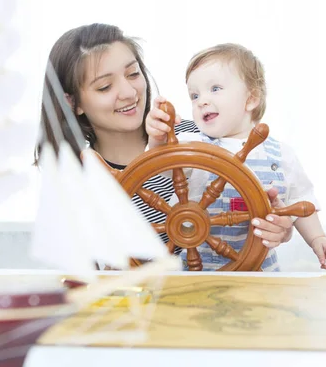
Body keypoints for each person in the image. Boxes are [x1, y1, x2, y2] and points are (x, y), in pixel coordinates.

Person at [34, 23, 294, 264]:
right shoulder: (78, 182)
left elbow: (253, 196)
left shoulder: (199, 138)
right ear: (73, 103)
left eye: (133, 73)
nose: (128, 92)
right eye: (104, 87)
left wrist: (276, 226)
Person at [146, 43, 326, 271]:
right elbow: (160, 167)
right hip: (199, 272)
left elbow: (300, 201)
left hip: (260, 271)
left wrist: (317, 239)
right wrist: (157, 140)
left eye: (215, 88)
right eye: (194, 95)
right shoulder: (193, 145)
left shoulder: (281, 155)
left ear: (251, 99)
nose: (201, 100)